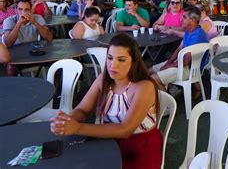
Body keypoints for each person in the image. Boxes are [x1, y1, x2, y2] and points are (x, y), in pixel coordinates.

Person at [49, 33, 163, 169]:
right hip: (109, 141)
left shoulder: (144, 86)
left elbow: (124, 130)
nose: (113, 65)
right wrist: (66, 122)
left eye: (121, 60)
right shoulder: (104, 79)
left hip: (141, 147)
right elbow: (83, 110)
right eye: (110, 58)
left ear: (133, 61)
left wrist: (77, 128)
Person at [150, 7, 209, 95]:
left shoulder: (197, 36)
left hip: (190, 69)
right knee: (149, 71)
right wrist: (167, 64)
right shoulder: (189, 31)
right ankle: (170, 89)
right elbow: (179, 49)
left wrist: (168, 66)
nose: (181, 19)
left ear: (192, 20)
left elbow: (185, 62)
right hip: (182, 63)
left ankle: (167, 104)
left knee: (153, 78)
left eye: (184, 17)